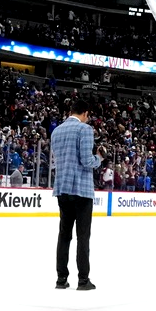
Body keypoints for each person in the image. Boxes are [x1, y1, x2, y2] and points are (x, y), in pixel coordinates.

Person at [50, 99, 103, 288]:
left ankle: (61, 279)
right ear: (85, 113)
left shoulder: (56, 131)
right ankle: (83, 279)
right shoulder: (85, 129)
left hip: (62, 187)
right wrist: (99, 158)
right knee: (83, 236)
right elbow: (87, 161)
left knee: (64, 235)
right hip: (81, 189)